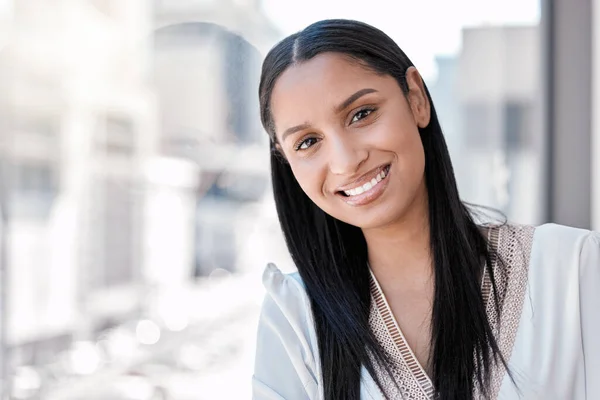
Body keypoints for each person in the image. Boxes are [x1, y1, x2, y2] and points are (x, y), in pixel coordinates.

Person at [251, 19, 600, 400]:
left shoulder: (570, 269)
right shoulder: (294, 319)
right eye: (308, 142)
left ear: (416, 98)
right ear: (285, 160)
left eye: (361, 114)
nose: (346, 161)